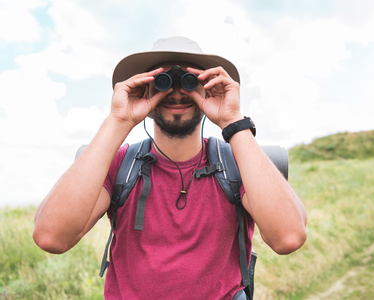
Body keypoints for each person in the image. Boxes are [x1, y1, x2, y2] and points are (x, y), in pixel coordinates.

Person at [33, 36, 307, 300]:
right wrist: (119, 120)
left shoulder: (238, 162)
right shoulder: (120, 165)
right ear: (145, 88)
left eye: (190, 82)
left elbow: (288, 237)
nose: (177, 93)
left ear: (209, 86)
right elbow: (51, 237)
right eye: (162, 82)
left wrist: (233, 120)